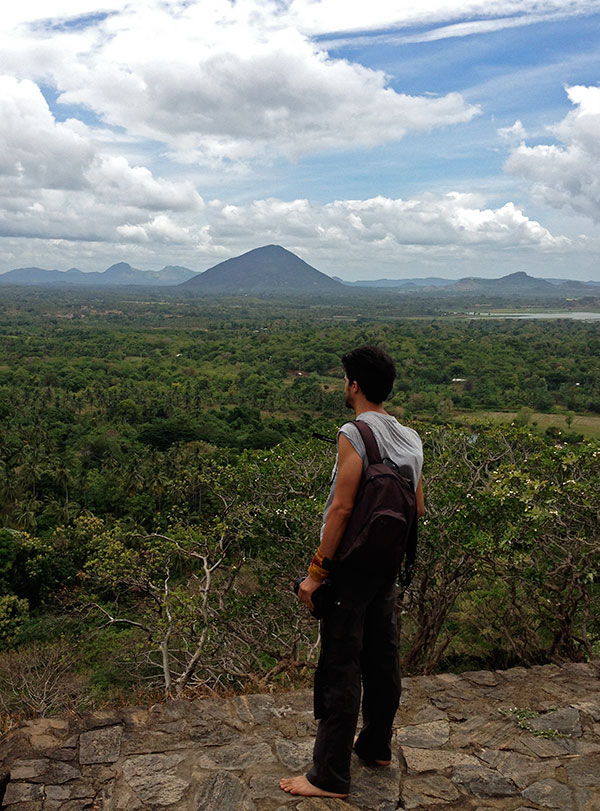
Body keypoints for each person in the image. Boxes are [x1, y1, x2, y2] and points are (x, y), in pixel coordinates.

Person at [280, 345, 424, 799]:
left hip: (349, 570)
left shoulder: (354, 433)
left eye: (346, 380)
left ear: (354, 385)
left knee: (341, 665)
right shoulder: (411, 438)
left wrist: (316, 573)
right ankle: (377, 746)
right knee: (383, 658)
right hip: (385, 568)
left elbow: (340, 508)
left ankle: (329, 775)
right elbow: (418, 508)